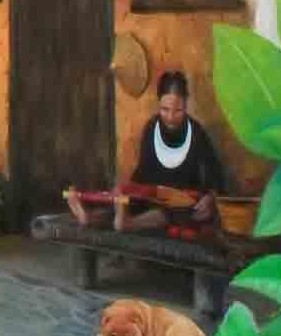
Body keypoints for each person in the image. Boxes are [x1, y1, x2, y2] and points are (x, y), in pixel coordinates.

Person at [67, 70, 224, 234]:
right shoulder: (152, 127)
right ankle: (89, 217)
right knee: (127, 199)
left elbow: (215, 175)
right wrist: (128, 190)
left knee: (175, 212)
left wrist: (210, 198)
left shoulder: (197, 132)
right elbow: (143, 170)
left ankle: (128, 224)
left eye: (178, 110)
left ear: (186, 105)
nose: (170, 117)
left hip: (181, 200)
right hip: (151, 195)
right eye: (165, 109)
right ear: (158, 103)